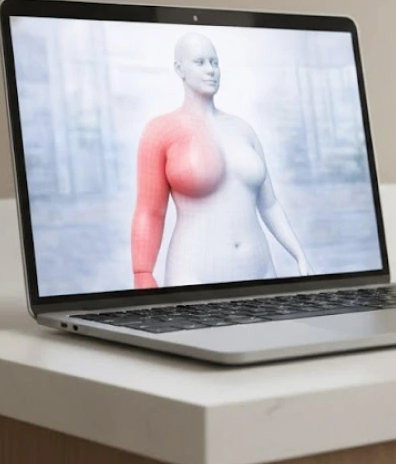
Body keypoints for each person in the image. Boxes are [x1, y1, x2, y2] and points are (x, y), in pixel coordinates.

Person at [130, 33, 314, 289]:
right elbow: (150, 212)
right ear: (179, 69)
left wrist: (299, 255)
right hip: (193, 278)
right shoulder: (161, 131)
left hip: (262, 274)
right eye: (200, 62)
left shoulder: (243, 129)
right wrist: (142, 274)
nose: (210, 70)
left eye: (214, 62)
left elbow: (269, 204)